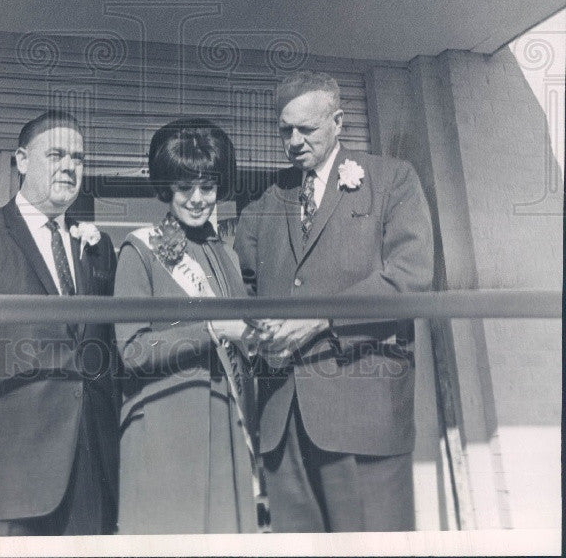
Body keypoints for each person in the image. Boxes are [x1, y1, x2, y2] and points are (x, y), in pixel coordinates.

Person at [234, 72, 434, 533]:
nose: (295, 141)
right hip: (283, 421)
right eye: (285, 130)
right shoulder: (266, 202)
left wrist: (321, 319)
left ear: (339, 121)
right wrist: (257, 334)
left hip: (364, 419)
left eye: (307, 128)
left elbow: (410, 278)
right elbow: (240, 290)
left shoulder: (392, 180)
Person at [0, 110, 119, 536]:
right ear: (21, 160)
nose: (69, 166)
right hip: (8, 476)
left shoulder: (96, 247)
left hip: (91, 471)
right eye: (55, 154)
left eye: (78, 158)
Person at [114, 117, 260, 534]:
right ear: (166, 189)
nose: (198, 199)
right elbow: (133, 351)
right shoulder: (139, 250)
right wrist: (212, 329)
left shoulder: (222, 252)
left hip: (225, 422)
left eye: (208, 187)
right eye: (184, 188)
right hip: (165, 427)